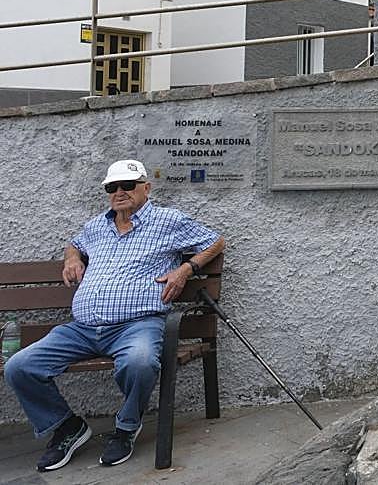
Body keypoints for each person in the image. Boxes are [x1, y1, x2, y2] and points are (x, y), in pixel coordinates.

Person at [3, 159, 225, 470]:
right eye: (112, 187)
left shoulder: (168, 221)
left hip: (137, 326)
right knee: (19, 367)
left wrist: (185, 270)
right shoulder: (97, 226)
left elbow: (215, 240)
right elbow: (75, 243)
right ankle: (68, 427)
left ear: (145, 188)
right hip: (82, 329)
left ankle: (126, 426)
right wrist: (72, 258)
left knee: (140, 362)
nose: (119, 192)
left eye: (127, 185)